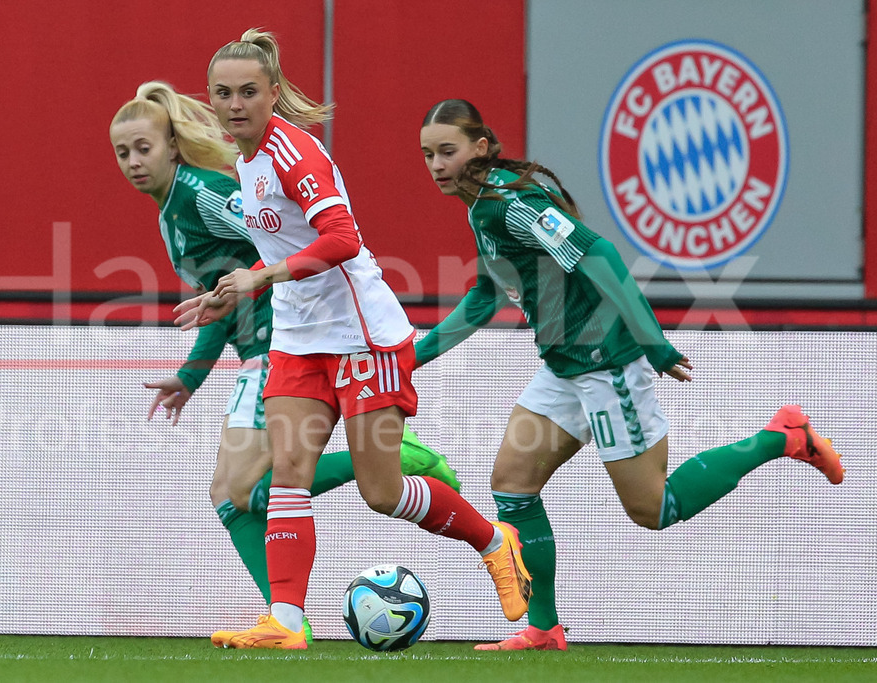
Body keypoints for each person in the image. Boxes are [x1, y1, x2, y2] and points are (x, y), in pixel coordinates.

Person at [415, 98, 845, 651]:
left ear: (479, 147)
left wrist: (652, 340)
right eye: (427, 154)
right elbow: (482, 298)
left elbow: (599, 255)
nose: (435, 164)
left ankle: (782, 437)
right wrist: (413, 358)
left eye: (446, 151)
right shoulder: (481, 208)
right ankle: (543, 628)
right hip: (565, 367)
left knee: (653, 510)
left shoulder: (508, 201)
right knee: (512, 486)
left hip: (607, 364)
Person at [173, 29, 532, 649]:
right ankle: (286, 621)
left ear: (274, 94)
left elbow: (341, 240)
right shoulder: (246, 162)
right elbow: (281, 248)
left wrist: (257, 277)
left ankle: (494, 540)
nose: (235, 104)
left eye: (249, 92)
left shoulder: (295, 153)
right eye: (223, 93)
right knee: (287, 472)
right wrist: (231, 294)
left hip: (362, 334)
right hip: (298, 334)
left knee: (381, 492)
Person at [108, 82, 462, 640]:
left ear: (173, 147)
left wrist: (239, 325)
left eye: (143, 148)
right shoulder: (168, 213)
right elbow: (219, 298)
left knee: (240, 492)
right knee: (231, 497)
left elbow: (272, 250)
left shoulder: (202, 194)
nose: (132, 162)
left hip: (287, 344)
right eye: (122, 152)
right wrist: (190, 376)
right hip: (263, 349)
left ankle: (394, 468)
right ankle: (283, 618)